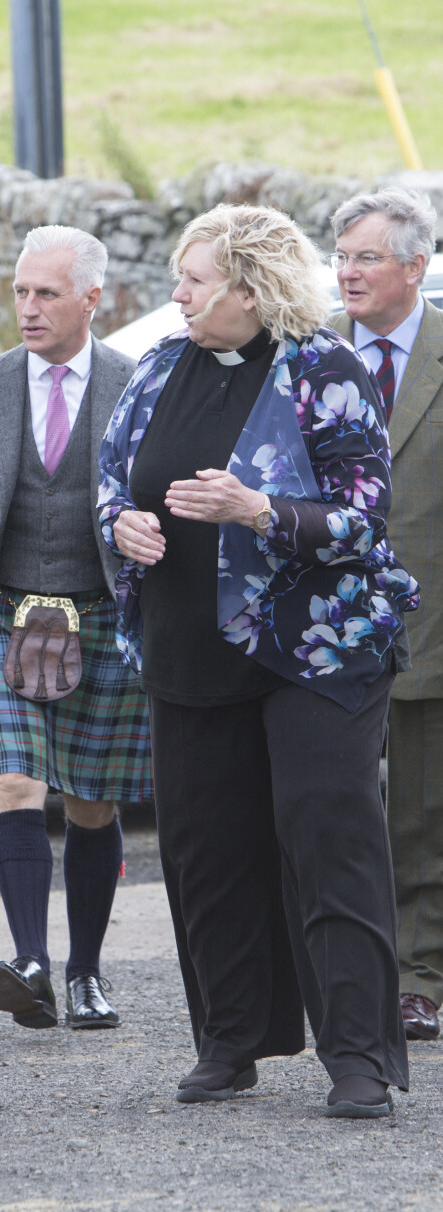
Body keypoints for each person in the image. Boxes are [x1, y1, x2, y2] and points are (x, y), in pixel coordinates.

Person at [98, 203, 419, 1118]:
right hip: (189, 646)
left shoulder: (326, 367)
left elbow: (364, 518)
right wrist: (120, 525)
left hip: (317, 651)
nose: (178, 292)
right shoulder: (159, 367)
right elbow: (111, 488)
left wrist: (258, 510)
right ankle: (231, 1041)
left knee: (329, 839)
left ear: (250, 286)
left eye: (194, 279)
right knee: (207, 851)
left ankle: (359, 1058)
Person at [0, 225, 152, 1031]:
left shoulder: (139, 386)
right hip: (1, 608)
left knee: (93, 802)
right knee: (16, 783)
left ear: (92, 299)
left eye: (47, 294)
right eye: (21, 292)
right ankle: (29, 961)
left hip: (102, 611)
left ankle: (87, 972)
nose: (27, 309)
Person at [330, 188, 443, 1043]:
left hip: (428, 623)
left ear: (416, 266)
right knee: (330, 813)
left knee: (417, 815)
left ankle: (416, 978)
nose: (348, 271)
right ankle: (342, 977)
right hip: (317, 630)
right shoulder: (307, 356)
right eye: (341, 256)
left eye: (367, 256)